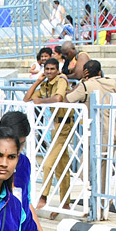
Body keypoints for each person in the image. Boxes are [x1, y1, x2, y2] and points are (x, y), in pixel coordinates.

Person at [24, 56, 74, 215]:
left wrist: (42, 102)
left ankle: (44, 197)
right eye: (47, 69)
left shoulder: (61, 80)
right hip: (55, 126)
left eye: (52, 69)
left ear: (57, 70)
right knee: (62, 164)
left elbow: (58, 98)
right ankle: (65, 202)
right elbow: (27, 98)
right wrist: (38, 81)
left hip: (65, 124)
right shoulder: (45, 84)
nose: (50, 72)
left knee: (48, 163)